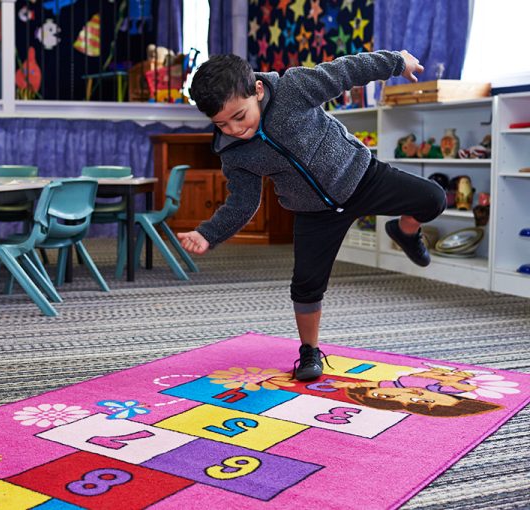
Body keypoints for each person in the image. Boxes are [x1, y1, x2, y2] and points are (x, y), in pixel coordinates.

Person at [178, 50, 446, 381]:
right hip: (313, 212)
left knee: (433, 198)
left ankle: (405, 231)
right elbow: (243, 202)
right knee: (306, 286)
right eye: (222, 124)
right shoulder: (233, 152)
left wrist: (395, 62)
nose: (235, 129)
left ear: (257, 90)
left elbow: (346, 70)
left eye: (239, 116)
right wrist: (208, 233)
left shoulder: (294, 88)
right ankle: (309, 351)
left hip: (361, 177)